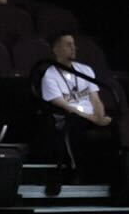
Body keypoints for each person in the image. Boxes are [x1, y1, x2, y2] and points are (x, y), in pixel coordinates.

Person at [39, 32, 115, 194]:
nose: (74, 48)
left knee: (118, 127)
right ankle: (78, 172)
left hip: (92, 117)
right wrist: (92, 118)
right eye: (68, 44)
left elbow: (95, 99)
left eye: (74, 44)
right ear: (56, 49)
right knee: (73, 124)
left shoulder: (85, 70)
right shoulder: (50, 75)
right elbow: (64, 105)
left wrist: (100, 117)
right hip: (69, 116)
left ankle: (114, 178)